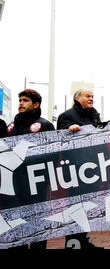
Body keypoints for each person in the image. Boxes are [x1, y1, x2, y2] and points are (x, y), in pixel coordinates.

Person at [6, 89, 55, 250]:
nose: (21, 103)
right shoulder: (11, 127)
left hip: (37, 184)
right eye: (20, 100)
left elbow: (53, 154)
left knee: (38, 225)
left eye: (25, 100)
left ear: (36, 104)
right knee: (15, 223)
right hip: (14, 184)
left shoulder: (45, 125)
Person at [57, 88, 103, 249]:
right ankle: (72, 243)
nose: (91, 98)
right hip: (75, 170)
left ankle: (83, 240)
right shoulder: (66, 116)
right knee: (75, 207)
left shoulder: (94, 114)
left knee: (85, 207)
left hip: (91, 168)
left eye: (92, 96)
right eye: (88, 96)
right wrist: (70, 130)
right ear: (77, 98)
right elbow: (60, 139)